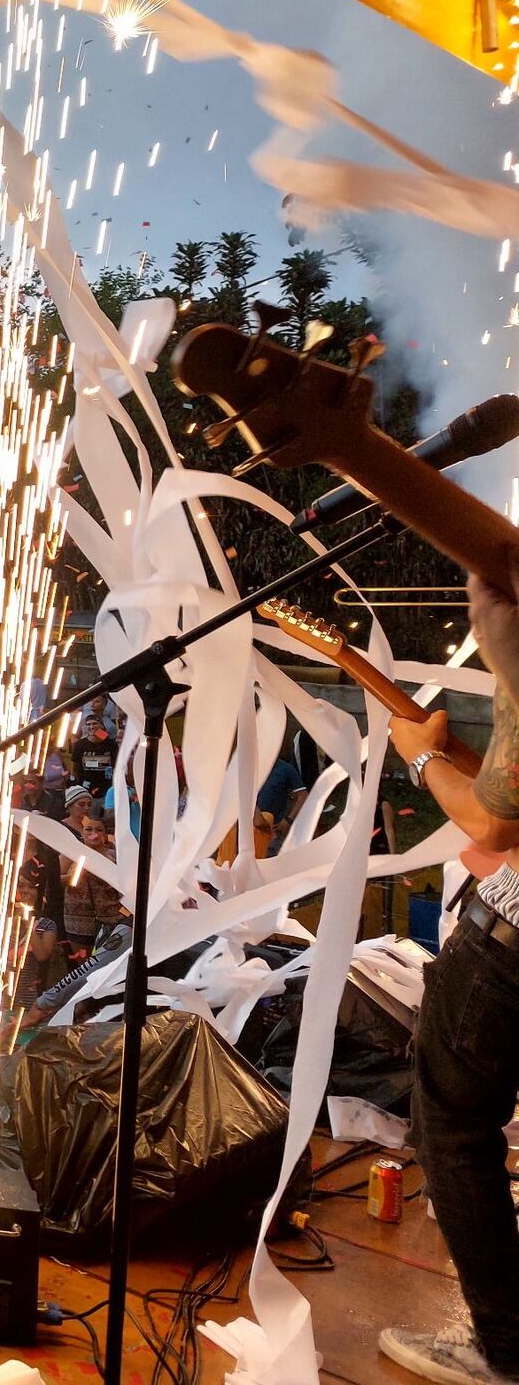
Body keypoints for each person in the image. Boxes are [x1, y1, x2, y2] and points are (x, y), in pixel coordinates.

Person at [379, 562, 519, 1385]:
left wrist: (419, 760)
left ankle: (504, 1347)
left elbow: (495, 823)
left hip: (510, 946)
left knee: (453, 1130)